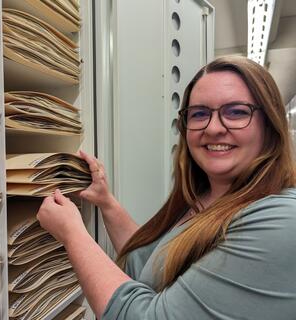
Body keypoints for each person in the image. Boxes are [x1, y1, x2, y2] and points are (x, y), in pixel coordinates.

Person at [37, 56, 296, 319]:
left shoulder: (281, 219)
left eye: (237, 112)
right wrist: (106, 202)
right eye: (200, 114)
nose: (214, 128)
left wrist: (72, 233)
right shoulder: (204, 197)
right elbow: (152, 270)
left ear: (270, 123)